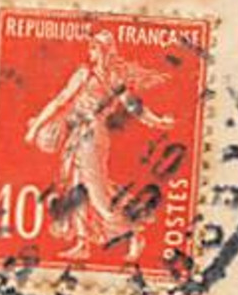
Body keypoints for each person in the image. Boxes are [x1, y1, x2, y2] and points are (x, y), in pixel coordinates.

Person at [23, 31, 176, 263]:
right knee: (76, 188)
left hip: (92, 137)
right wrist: (37, 127)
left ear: (104, 51)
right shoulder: (84, 73)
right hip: (77, 134)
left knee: (96, 192)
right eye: (91, 48)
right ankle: (82, 243)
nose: (91, 52)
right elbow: (61, 101)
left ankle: (132, 234)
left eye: (94, 48)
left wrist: (158, 121)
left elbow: (134, 107)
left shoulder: (112, 78)